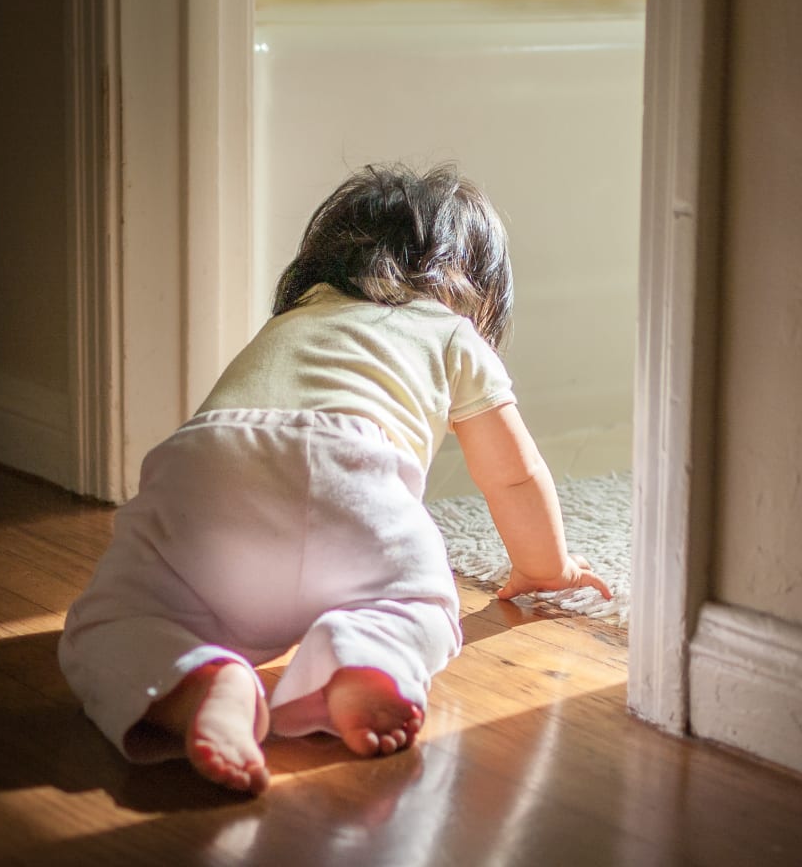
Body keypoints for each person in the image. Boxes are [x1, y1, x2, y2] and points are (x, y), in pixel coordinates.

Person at [58, 164, 612, 795]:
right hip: (356, 483)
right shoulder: (452, 335)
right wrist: (547, 567)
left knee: (108, 622)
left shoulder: (294, 320)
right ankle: (366, 659)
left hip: (207, 473)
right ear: (478, 288)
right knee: (422, 606)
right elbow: (515, 478)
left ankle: (196, 681)